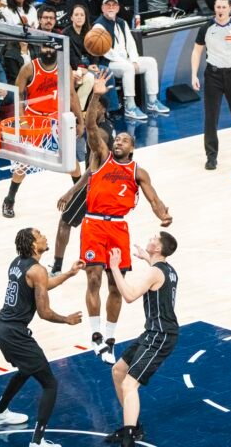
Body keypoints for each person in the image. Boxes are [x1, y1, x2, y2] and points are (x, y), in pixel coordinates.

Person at [81, 70, 172, 364]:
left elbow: (154, 200)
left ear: (132, 147)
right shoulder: (102, 156)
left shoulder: (138, 172)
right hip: (93, 223)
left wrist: (163, 215)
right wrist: (95, 95)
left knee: (115, 284)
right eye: (116, 139)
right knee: (93, 278)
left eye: (123, 140)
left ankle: (110, 339)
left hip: (118, 228)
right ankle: (95, 334)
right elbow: (89, 126)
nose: (118, 142)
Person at [0, 228, 83, 447]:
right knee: (50, 384)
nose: (45, 236)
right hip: (14, 333)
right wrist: (66, 319)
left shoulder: (17, 263)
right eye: (39, 235)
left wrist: (69, 273)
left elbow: (44, 284)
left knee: (26, 369)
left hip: (0, 327)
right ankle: (38, 441)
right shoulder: (37, 270)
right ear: (33, 244)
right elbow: (44, 312)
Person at [105, 231, 179, 446]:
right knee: (118, 370)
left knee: (130, 384)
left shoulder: (155, 272)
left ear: (158, 248)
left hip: (160, 335)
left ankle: (129, 438)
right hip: (153, 332)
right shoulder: (168, 269)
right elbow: (157, 271)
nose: (150, 239)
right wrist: (146, 257)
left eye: (154, 239)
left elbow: (129, 296)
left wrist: (115, 267)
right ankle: (134, 428)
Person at [1, 42, 84, 218]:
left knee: (71, 160)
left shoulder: (64, 68)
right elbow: (18, 96)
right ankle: (9, 199)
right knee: (23, 163)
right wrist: (23, 122)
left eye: (51, 48)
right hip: (34, 119)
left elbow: (71, 95)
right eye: (46, 48)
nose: (48, 51)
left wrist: (80, 121)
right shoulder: (29, 68)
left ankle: (81, 197)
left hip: (56, 119)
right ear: (40, 49)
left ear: (57, 50)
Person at [51, 95, 113, 276]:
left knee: (65, 222)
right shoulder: (107, 127)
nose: (89, 112)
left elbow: (91, 172)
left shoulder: (100, 134)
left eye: (95, 108)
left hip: (95, 185)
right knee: (100, 227)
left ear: (102, 110)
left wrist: (70, 192)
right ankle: (107, 263)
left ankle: (56, 269)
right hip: (109, 186)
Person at [191, 0, 231, 170]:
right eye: (218, 7)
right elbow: (196, 52)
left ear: (230, 8)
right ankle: (211, 157)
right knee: (211, 118)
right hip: (213, 76)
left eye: (224, 7)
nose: (220, 10)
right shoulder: (206, 28)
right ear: (214, 8)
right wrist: (194, 75)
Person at [94, 0, 169, 120]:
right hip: (110, 63)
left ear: (118, 8)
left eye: (114, 5)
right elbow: (106, 51)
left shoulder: (122, 22)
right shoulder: (98, 26)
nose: (111, 7)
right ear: (102, 8)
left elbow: (131, 44)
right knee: (128, 68)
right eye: (108, 5)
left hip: (126, 61)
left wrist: (134, 60)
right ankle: (130, 107)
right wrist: (127, 62)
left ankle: (152, 101)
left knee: (151, 62)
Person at [62, 4, 99, 110]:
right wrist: (86, 68)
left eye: (82, 15)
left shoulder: (88, 32)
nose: (79, 17)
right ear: (71, 17)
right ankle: (79, 110)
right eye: (76, 15)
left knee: (105, 72)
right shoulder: (66, 33)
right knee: (92, 77)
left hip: (88, 64)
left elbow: (94, 51)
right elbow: (70, 57)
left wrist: (94, 64)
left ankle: (104, 110)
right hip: (74, 66)